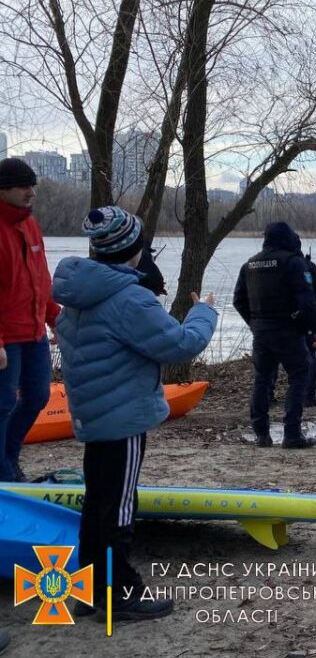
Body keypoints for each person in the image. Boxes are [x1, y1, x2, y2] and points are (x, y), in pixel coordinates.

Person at [54, 206, 217, 621]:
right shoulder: (129, 298)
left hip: (94, 414)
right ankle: (118, 594)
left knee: (99, 504)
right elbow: (179, 345)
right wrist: (205, 312)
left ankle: (90, 592)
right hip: (121, 417)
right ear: (134, 249)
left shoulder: (80, 292)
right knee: (119, 508)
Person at [233, 222, 316, 449]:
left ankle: (261, 434)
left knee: (262, 378)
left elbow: (238, 300)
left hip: (261, 332)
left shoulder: (250, 265)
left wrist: (255, 323)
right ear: (289, 237)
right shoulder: (293, 263)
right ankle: (292, 434)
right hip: (287, 330)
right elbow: (307, 300)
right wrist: (314, 328)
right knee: (300, 374)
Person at [0, 158, 59, 482]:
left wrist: (55, 319)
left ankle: (7, 459)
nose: (32, 192)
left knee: (37, 396)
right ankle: (4, 472)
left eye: (33, 185)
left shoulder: (30, 224)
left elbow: (40, 278)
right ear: (3, 189)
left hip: (34, 330)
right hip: (6, 337)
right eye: (24, 186)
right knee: (3, 404)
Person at [266, 250, 316, 407]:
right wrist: (315, 317)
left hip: (273, 320)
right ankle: (307, 396)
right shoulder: (307, 266)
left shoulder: (269, 265)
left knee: (271, 357)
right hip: (301, 319)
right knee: (308, 355)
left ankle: (267, 396)